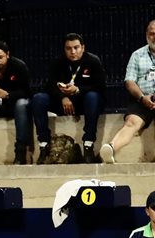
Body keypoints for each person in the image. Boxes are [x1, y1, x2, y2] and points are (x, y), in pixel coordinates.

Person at [100, 20, 155, 165]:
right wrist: (142, 98)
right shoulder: (137, 55)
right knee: (131, 122)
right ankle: (111, 148)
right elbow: (129, 81)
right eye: (152, 34)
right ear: (147, 35)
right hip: (142, 99)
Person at [31, 33, 107, 165]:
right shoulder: (58, 62)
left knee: (93, 96)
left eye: (76, 47)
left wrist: (78, 89)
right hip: (63, 102)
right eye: (69, 48)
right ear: (64, 49)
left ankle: (88, 145)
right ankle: (44, 146)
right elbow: (49, 86)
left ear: (83, 48)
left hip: (84, 102)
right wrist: (63, 97)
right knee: (38, 99)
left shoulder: (93, 61)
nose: (73, 52)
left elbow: (101, 86)